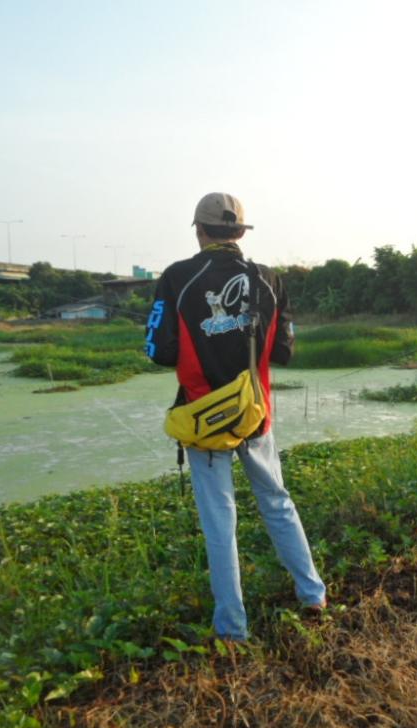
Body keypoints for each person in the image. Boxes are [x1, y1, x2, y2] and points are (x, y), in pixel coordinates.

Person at [145, 192, 326, 641]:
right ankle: (313, 595)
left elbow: (157, 349)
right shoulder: (269, 279)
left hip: (203, 416)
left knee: (220, 522)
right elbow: (284, 348)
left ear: (200, 230)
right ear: (240, 233)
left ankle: (232, 631)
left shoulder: (177, 278)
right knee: (278, 502)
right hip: (255, 413)